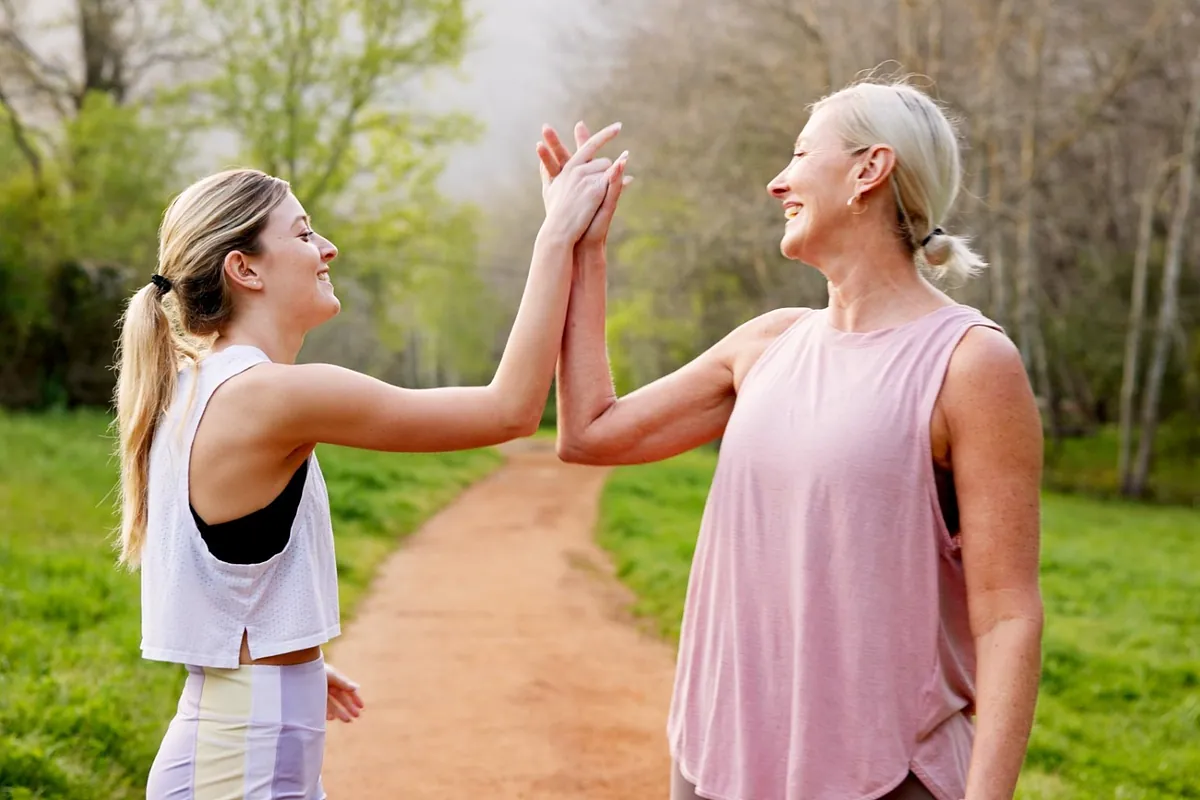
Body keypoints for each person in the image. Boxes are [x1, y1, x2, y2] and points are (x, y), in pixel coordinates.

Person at [541, 79, 1044, 800]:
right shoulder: (767, 342)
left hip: (881, 774)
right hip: (717, 757)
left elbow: (1007, 615)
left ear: (869, 171)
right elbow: (589, 433)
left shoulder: (970, 362)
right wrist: (582, 250)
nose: (779, 181)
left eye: (802, 153)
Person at [112, 122, 626, 799]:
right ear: (245, 268)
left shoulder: (205, 384)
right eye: (301, 234)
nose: (327, 247)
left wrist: (288, 663)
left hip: (240, 744)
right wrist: (557, 237)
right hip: (237, 766)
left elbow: (220, 567)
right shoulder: (270, 395)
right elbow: (510, 411)